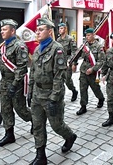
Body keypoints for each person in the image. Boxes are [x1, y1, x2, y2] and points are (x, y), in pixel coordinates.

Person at [27, 17, 77, 165]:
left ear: (50, 31)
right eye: (37, 30)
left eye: (41, 29)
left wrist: (54, 98)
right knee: (37, 125)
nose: (38, 32)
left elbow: (59, 76)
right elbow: (32, 71)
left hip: (51, 94)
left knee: (56, 125)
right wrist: (30, 90)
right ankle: (40, 156)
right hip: (37, 93)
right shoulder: (37, 49)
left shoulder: (57, 49)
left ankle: (70, 136)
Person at [0, 19, 33, 147]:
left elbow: (22, 68)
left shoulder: (20, 46)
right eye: (1, 29)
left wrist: (14, 85)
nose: (1, 31)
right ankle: (9, 134)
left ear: (12, 31)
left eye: (5, 29)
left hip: (16, 83)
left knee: (21, 109)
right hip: (4, 82)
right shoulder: (2, 46)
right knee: (5, 109)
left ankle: (34, 120)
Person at [74, 28, 105, 115]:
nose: (87, 37)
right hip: (83, 70)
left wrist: (93, 69)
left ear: (93, 35)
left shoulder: (99, 46)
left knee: (95, 88)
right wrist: (74, 63)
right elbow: (76, 55)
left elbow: (101, 60)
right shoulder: (84, 46)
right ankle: (83, 106)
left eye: (88, 35)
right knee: (82, 89)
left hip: (93, 72)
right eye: (86, 35)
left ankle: (101, 98)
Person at [57, 23, 78, 102]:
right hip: (60, 63)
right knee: (59, 80)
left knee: (67, 80)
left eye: (61, 28)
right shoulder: (58, 40)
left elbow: (74, 52)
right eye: (59, 28)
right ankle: (61, 97)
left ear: (65, 29)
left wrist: (72, 63)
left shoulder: (70, 39)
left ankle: (74, 91)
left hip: (68, 63)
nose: (60, 30)